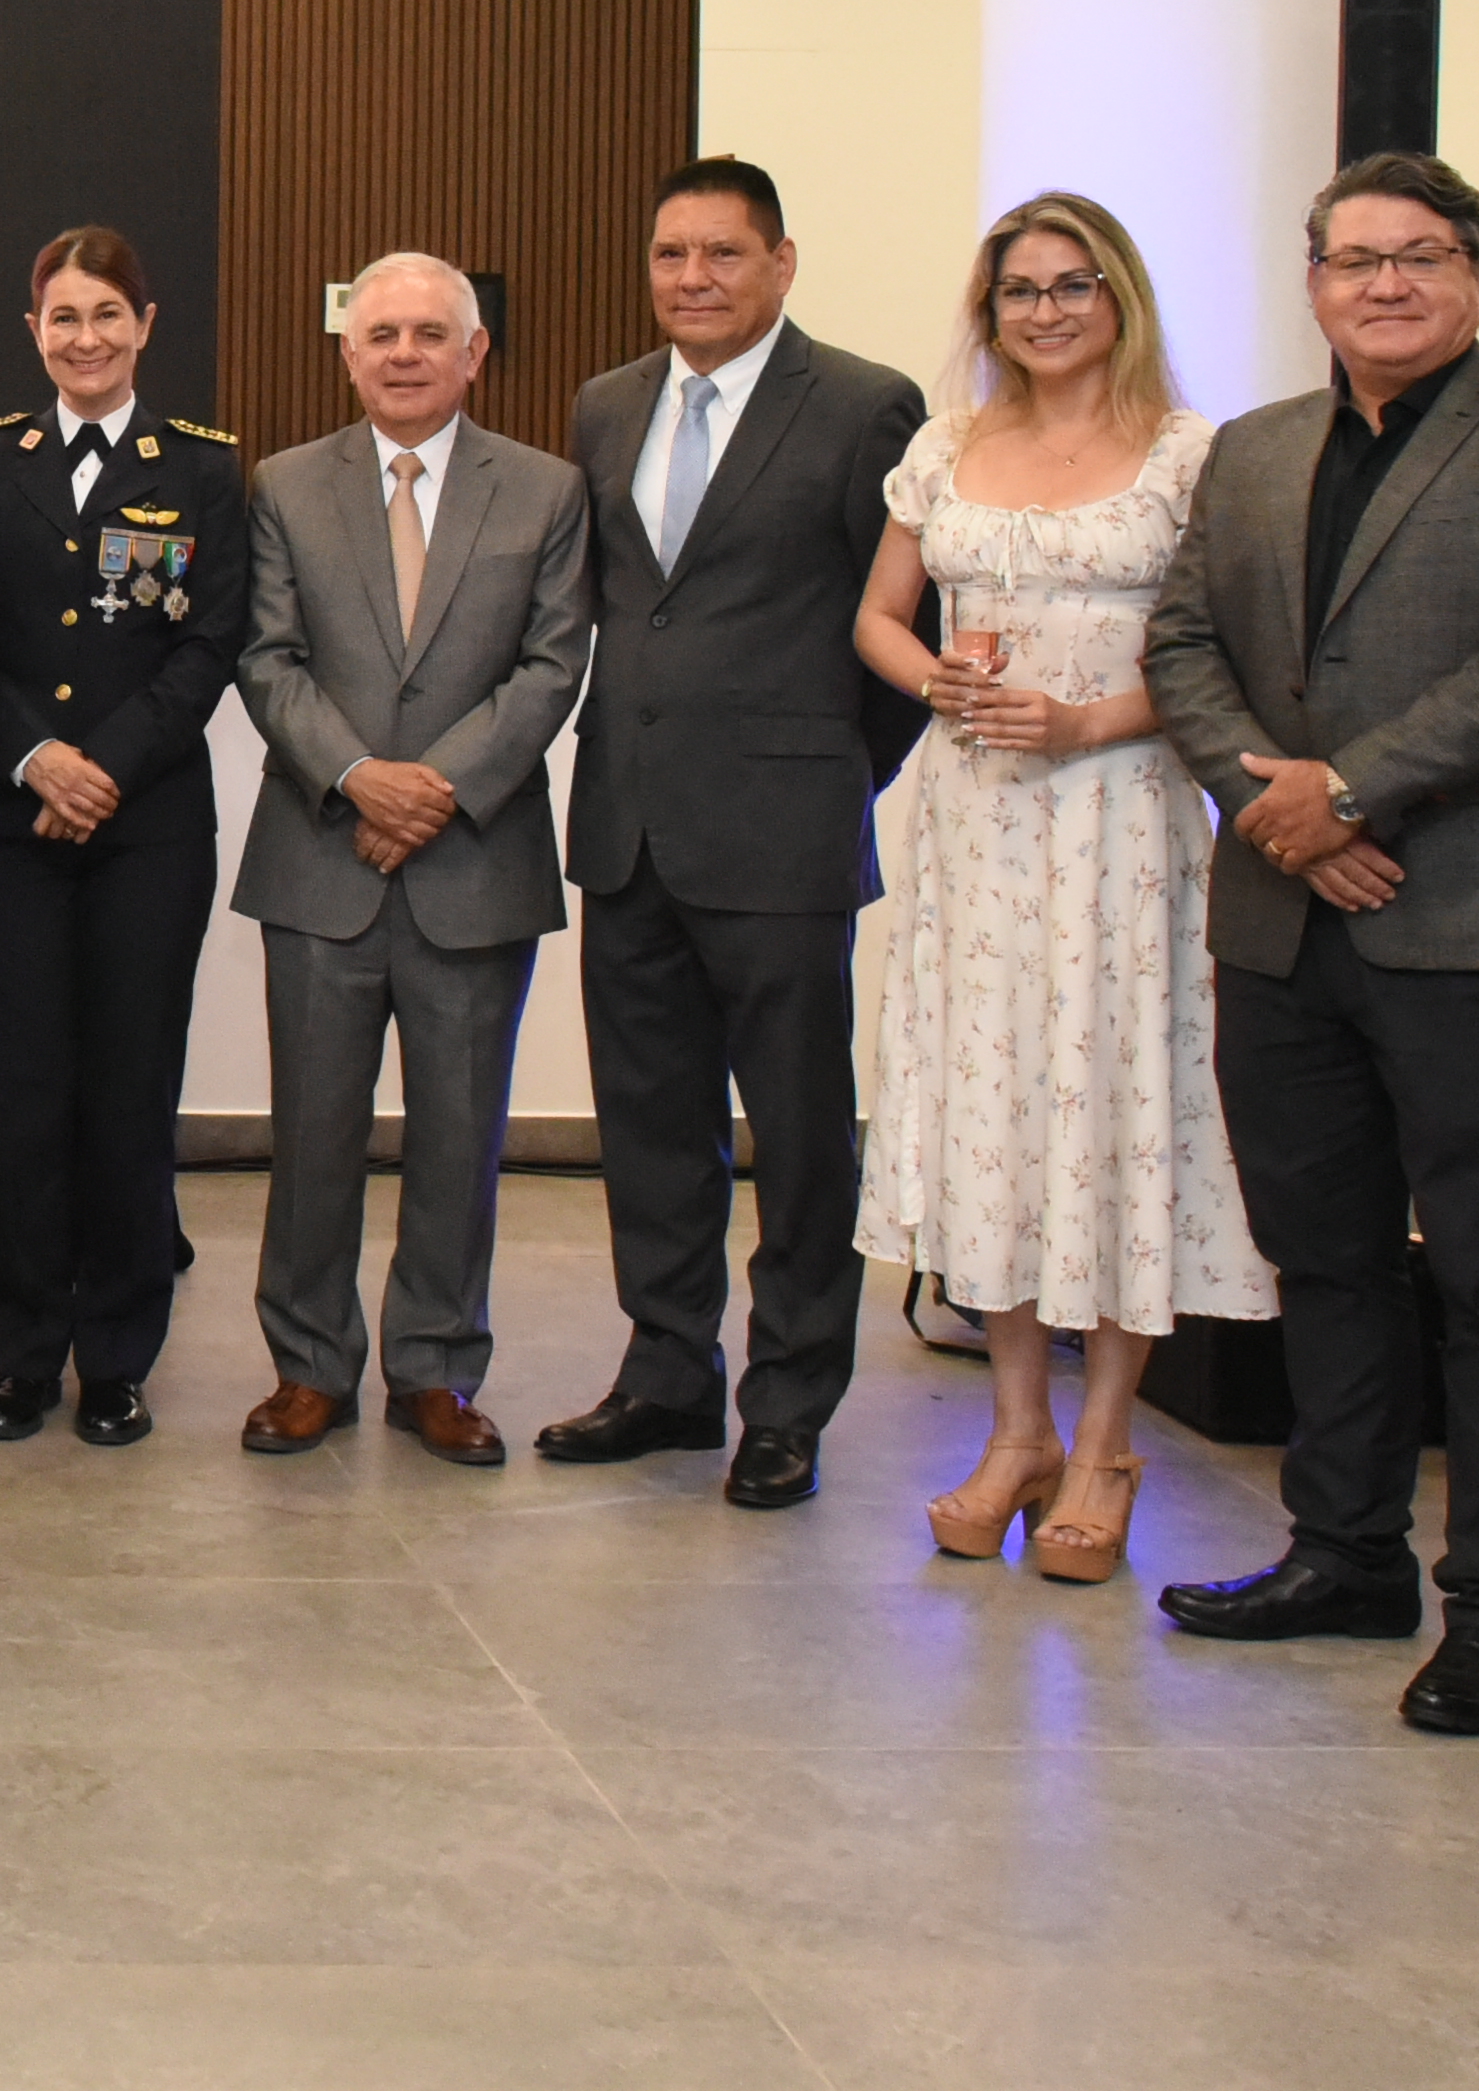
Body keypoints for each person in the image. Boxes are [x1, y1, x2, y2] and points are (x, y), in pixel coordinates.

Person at [1136, 158, 1479, 1727]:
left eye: (1421, 257)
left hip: (1477, 917)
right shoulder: (1257, 447)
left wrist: (1349, 792)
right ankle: (1345, 1552)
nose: (1386, 286)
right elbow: (1181, 641)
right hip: (1287, 926)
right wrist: (1272, 804)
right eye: (1354, 261)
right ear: (1313, 285)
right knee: (1327, 1259)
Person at [842, 194, 1260, 1587]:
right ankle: (1016, 1431)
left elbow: (1226, 654)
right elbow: (879, 619)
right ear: (991, 311)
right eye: (1020, 289)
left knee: (1112, 1117)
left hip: (1120, 821)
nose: (1047, 310)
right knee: (999, 1118)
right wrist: (935, 681)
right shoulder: (948, 444)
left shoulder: (1193, 457)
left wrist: (1097, 720)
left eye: (1074, 284)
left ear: (1122, 296)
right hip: (978, 828)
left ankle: (1107, 1445)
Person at [545, 158, 930, 1506]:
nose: (693, 279)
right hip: (630, 823)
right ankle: (667, 1374)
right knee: (650, 1122)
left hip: (783, 826)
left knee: (802, 1128)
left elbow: (905, 626)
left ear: (780, 263)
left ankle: (791, 1397)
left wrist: (829, 776)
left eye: (721, 254)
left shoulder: (864, 406)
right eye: (670, 255)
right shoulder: (606, 406)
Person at [223, 256, 590, 1464]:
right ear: (345, 350)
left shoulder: (543, 490)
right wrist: (358, 776)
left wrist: (437, 787)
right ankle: (308, 1367)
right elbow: (266, 657)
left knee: (458, 1136)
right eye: (379, 332)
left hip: (471, 863)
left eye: (430, 332)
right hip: (322, 858)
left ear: (473, 352)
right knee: (313, 1137)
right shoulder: (283, 484)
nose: (402, 352)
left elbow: (550, 666)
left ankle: (434, 1368)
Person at [0, 227, 254, 1448]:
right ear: (34, 330)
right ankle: (24, 1355)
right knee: (16, 1096)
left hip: (147, 826)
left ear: (146, 325)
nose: (85, 338)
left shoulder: (206, 470)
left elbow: (210, 640)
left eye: (107, 316)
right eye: (62, 317)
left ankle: (118, 1356)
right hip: (1, 821)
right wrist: (37, 757)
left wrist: (106, 764)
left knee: (130, 1092)